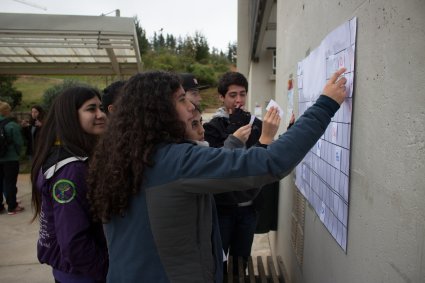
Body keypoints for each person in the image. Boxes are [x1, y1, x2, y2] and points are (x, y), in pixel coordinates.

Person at [87, 68, 347, 283]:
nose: (191, 106)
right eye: (180, 99)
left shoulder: (120, 156)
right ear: (155, 111)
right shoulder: (174, 161)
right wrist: (325, 105)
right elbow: (270, 162)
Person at [31, 87, 109, 283]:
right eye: (91, 109)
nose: (101, 115)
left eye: (101, 107)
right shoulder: (70, 170)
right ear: (70, 116)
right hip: (83, 275)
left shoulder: (71, 157)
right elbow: (74, 241)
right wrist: (107, 273)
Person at [203, 71, 270, 273]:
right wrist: (233, 130)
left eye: (242, 94)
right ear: (221, 97)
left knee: (241, 262)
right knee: (219, 261)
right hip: (223, 207)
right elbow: (218, 165)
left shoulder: (255, 124)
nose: (238, 100)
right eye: (232, 95)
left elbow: (263, 158)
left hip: (249, 208)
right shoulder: (212, 128)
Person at [0, 101, 24, 215]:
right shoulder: (12, 125)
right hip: (10, 158)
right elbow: (19, 142)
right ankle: (12, 206)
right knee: (10, 182)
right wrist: (18, 153)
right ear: (7, 111)